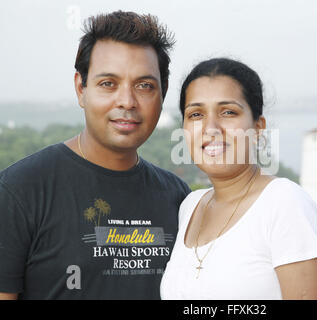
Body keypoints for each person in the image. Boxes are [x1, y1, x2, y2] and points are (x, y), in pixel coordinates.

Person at [0, 11, 190, 300]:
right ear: (81, 88)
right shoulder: (20, 190)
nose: (127, 101)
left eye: (144, 86)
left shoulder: (178, 198)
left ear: (162, 95)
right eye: (108, 84)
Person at [160, 58, 317, 300]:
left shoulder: (284, 203)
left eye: (228, 112)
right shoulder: (190, 206)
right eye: (196, 114)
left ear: (258, 128)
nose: (211, 128)